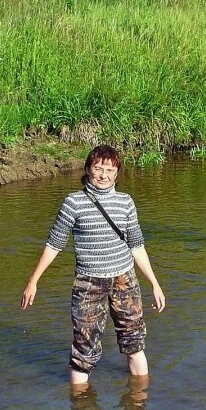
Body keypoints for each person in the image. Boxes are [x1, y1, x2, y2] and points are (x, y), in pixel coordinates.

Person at [20, 145, 166, 386]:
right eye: (98, 168)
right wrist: (33, 281)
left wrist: (155, 284)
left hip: (124, 280)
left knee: (134, 342)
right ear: (88, 169)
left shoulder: (126, 202)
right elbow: (54, 244)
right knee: (83, 349)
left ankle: (139, 403)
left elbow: (137, 247)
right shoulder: (73, 203)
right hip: (88, 283)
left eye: (110, 170)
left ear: (117, 173)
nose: (104, 175)